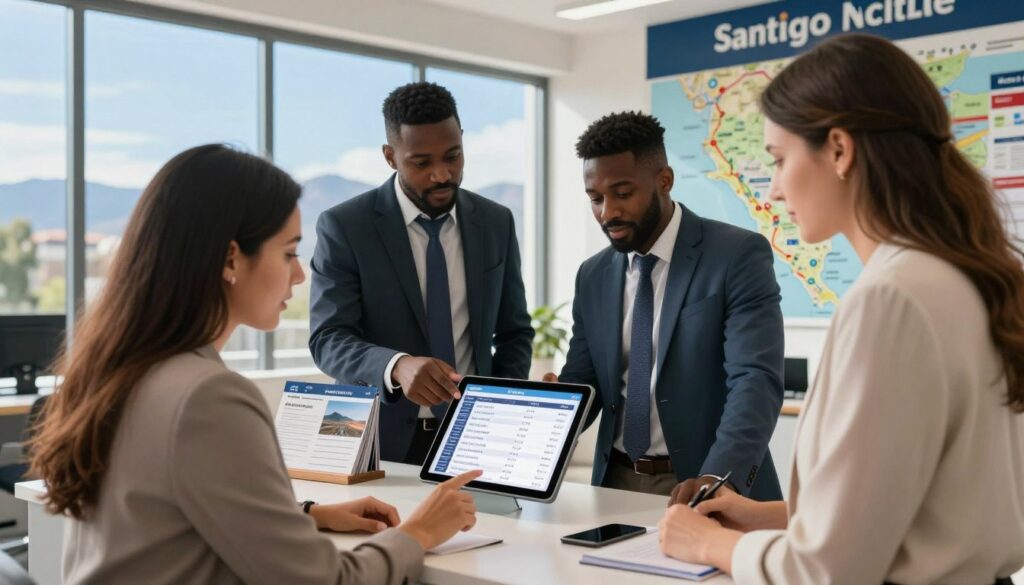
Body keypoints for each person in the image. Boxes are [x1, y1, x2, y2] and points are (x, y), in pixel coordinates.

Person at [657, 34, 1024, 585]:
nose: (775, 190)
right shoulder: (975, 277)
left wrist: (711, 543)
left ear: (838, 150)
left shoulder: (891, 299)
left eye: (780, 161)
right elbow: (932, 507)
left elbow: (829, 571)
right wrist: (768, 518)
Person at [29, 144, 482, 585]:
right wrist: (418, 533)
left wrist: (304, 516)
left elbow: (166, 517)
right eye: (288, 252)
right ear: (231, 258)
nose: (300, 274)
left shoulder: (120, 371)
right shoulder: (208, 397)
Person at [546, 111, 785, 501]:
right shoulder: (592, 275)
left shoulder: (736, 255)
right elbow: (586, 381)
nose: (607, 213)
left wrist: (716, 481)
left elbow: (754, 381)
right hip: (614, 484)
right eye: (595, 198)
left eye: (622, 194)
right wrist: (557, 404)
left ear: (664, 180)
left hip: (703, 481)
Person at [309, 82, 533, 465]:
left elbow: (514, 332)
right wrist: (395, 366)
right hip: (368, 438)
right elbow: (327, 338)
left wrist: (498, 408)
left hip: (473, 437)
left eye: (453, 156)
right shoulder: (345, 225)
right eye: (421, 162)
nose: (442, 174)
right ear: (390, 156)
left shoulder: (496, 222)